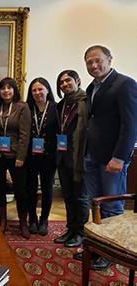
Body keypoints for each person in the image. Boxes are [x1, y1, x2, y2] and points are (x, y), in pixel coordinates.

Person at [74, 45, 137, 270]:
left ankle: (111, 253)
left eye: (98, 60)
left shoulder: (124, 84)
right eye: (89, 62)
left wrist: (119, 157)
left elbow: (131, 125)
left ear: (109, 59)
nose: (93, 65)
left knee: (111, 205)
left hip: (111, 159)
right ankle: (99, 248)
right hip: (92, 156)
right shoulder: (92, 87)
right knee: (97, 205)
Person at [0, 77, 31, 238]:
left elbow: (25, 134)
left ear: (14, 90)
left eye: (9, 88)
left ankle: (23, 223)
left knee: (21, 190)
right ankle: (3, 221)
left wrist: (21, 156)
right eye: (3, 88)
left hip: (16, 155)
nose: (6, 91)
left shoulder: (22, 107)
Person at [52, 70, 88, 247]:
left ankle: (80, 233)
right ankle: (70, 229)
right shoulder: (61, 105)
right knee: (68, 196)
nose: (65, 84)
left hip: (79, 158)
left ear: (78, 81)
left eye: (68, 80)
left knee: (80, 197)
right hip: (63, 157)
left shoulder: (86, 102)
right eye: (61, 82)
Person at [25, 77, 58, 236]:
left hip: (49, 156)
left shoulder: (56, 108)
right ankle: (32, 219)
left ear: (47, 90)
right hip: (30, 156)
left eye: (40, 89)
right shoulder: (26, 108)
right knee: (30, 188)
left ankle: (44, 219)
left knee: (47, 188)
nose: (37, 93)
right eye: (34, 90)